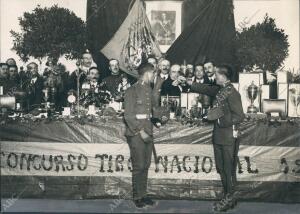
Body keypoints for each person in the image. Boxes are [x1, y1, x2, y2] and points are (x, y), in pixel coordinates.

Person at [187, 65, 244, 212]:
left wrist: (219, 119)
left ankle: (229, 197)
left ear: (224, 76)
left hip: (228, 136)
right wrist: (189, 83)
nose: (215, 77)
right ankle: (228, 195)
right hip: (219, 136)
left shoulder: (232, 93)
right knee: (221, 167)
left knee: (227, 168)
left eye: (217, 75)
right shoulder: (221, 89)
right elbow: (206, 89)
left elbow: (239, 116)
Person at [123, 63, 157, 209]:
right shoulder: (132, 90)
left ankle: (143, 194)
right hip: (136, 133)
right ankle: (137, 196)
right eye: (153, 73)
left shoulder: (149, 89)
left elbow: (149, 113)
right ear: (148, 74)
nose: (154, 76)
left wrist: (157, 120)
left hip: (148, 131)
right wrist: (140, 131)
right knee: (139, 166)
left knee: (146, 165)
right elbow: (129, 116)